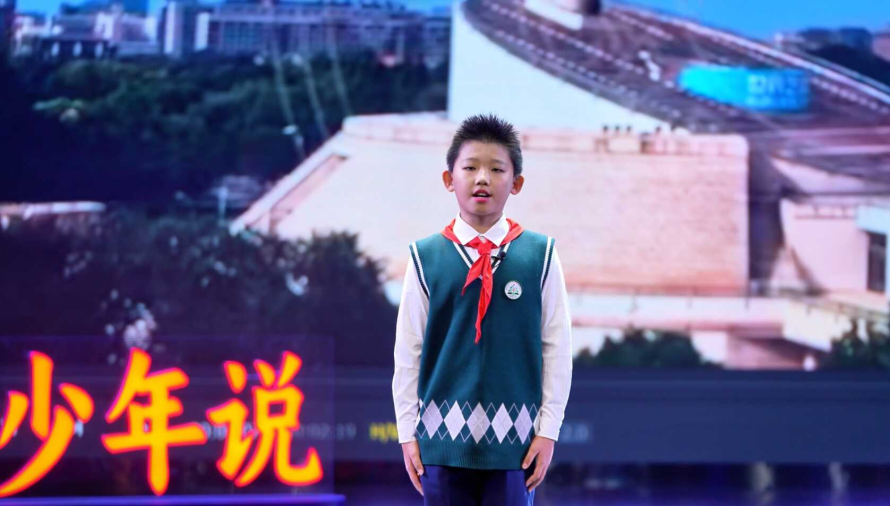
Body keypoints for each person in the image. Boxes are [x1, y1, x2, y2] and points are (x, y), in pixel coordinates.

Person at [392, 114, 573, 505]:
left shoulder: (540, 255)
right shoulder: (424, 257)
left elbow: (556, 348)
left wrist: (548, 430)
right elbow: (408, 352)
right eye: (470, 167)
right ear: (449, 179)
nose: (482, 179)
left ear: (516, 183)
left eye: (496, 169)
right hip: (439, 442)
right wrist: (407, 432)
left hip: (517, 444)